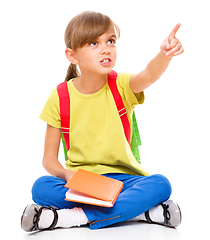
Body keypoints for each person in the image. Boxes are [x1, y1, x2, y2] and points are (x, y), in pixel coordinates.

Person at [21, 11, 184, 232]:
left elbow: (148, 74)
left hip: (124, 182)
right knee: (41, 187)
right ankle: (142, 213)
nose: (106, 48)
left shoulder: (121, 86)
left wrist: (164, 55)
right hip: (82, 182)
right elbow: (49, 159)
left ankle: (70, 218)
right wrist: (69, 175)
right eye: (93, 43)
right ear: (72, 55)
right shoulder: (59, 97)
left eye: (110, 41)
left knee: (160, 184)